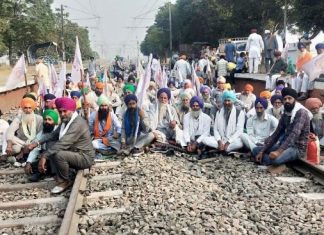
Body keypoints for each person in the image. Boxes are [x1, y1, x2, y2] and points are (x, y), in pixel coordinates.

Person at [28, 97, 95, 194]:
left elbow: (63, 142)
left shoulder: (77, 123)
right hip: (74, 153)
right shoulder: (66, 121)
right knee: (51, 144)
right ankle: (59, 173)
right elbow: (53, 135)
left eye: (65, 111)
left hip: (84, 157)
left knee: (59, 154)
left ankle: (65, 181)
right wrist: (37, 143)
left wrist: (44, 155)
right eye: (60, 112)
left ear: (71, 110)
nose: (62, 114)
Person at [253, 88, 311, 167]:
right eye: (285, 99)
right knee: (255, 150)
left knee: (276, 160)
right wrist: (262, 151)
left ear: (295, 100)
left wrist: (278, 152)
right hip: (284, 145)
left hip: (296, 148)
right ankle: (275, 159)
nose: (287, 101)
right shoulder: (286, 112)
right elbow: (277, 133)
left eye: (289, 98)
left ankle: (277, 161)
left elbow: (294, 134)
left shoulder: (301, 112)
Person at [25, 109, 59, 182]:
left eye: (50, 120)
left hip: (56, 156)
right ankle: (42, 171)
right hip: (44, 156)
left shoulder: (58, 132)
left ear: (55, 122)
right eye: (45, 119)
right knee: (32, 162)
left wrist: (45, 156)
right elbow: (35, 148)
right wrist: (28, 162)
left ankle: (42, 173)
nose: (47, 122)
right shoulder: (42, 132)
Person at [5, 98, 43, 163]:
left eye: (29, 108)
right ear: (22, 108)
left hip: (34, 143)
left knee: (38, 145)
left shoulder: (39, 119)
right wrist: (9, 145)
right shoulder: (19, 118)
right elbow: (10, 130)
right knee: (15, 148)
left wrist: (32, 144)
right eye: (25, 108)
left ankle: (21, 153)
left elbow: (40, 135)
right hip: (21, 142)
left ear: (33, 108)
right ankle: (22, 152)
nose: (28, 110)